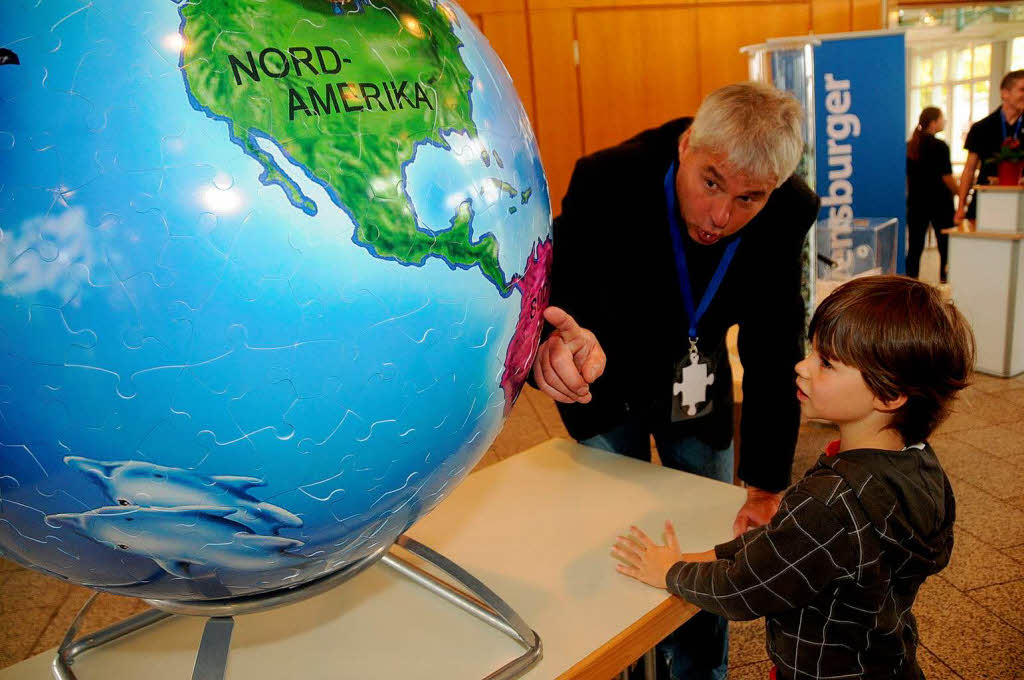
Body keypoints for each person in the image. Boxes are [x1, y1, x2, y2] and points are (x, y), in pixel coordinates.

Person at [531, 81, 819, 679]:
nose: (721, 216)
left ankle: (698, 670)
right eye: (711, 182)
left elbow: (774, 345)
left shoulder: (789, 209)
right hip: (605, 381)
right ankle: (630, 661)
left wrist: (766, 482)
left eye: (748, 199)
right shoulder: (608, 180)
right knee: (617, 536)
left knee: (710, 536)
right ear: (687, 145)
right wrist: (555, 345)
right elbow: (554, 296)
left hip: (699, 386)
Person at [612, 275, 975, 680]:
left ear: (889, 395)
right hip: (887, 659)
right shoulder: (921, 465)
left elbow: (745, 588)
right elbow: (792, 548)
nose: (802, 366)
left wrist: (669, 571)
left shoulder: (830, 503)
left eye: (827, 363)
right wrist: (715, 553)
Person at [955, 69, 1024, 225]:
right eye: (1022, 89)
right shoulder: (982, 127)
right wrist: (960, 207)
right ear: (1005, 93)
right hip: (985, 202)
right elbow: (969, 169)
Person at [906, 106, 956, 282]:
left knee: (914, 247)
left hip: (916, 203)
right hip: (940, 203)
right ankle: (945, 282)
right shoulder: (940, 146)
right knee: (946, 246)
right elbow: (947, 177)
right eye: (942, 118)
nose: (944, 121)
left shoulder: (910, 146)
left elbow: (907, 179)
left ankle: (910, 284)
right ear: (934, 122)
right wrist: (959, 191)